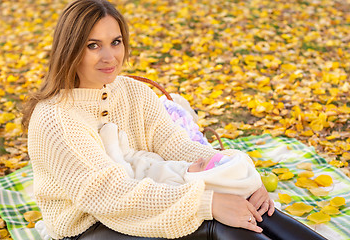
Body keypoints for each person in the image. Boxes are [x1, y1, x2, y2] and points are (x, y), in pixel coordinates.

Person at [21, 0, 327, 239]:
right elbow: (110, 195)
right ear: (70, 49)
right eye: (93, 45)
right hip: (89, 227)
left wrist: (239, 176)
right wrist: (206, 203)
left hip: (149, 194)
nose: (110, 57)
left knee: (255, 210)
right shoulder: (55, 118)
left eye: (115, 42)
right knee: (219, 227)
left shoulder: (134, 92)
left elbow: (177, 146)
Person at [99, 122, 262, 199]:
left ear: (203, 180)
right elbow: (176, 147)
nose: (197, 159)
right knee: (152, 158)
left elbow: (158, 196)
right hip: (154, 164)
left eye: (200, 164)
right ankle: (128, 153)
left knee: (126, 172)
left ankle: (115, 153)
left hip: (139, 178)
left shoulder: (179, 185)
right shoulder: (191, 170)